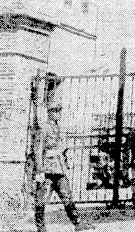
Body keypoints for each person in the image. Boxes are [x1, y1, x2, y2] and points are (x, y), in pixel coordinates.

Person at [32, 73, 94, 232]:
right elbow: (38, 150)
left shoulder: (57, 128)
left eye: (59, 111)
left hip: (58, 169)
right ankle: (41, 228)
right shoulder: (44, 128)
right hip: (46, 169)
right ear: (49, 112)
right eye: (55, 111)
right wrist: (39, 170)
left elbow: (61, 149)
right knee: (41, 199)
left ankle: (78, 223)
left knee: (67, 196)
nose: (57, 114)